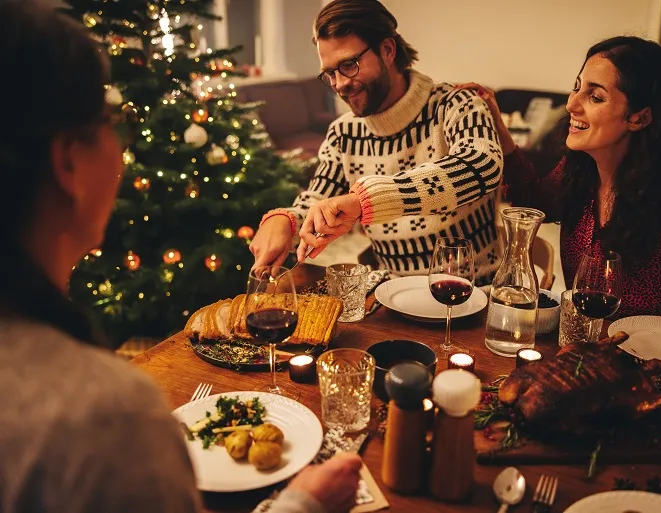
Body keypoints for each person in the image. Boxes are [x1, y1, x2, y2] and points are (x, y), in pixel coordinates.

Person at [0, 2, 360, 513]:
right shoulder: (106, 416)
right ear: (67, 161)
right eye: (111, 122)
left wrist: (289, 214)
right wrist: (303, 504)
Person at [457, 36, 661, 320]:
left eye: (595, 97)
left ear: (639, 118)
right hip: (583, 350)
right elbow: (532, 201)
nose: (571, 105)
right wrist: (498, 128)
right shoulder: (580, 171)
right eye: (576, 87)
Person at [249, 0, 503, 284]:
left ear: (388, 50)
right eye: (330, 73)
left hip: (475, 296)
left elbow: (482, 166)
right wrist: (286, 220)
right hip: (393, 301)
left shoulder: (456, 105)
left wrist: (367, 199)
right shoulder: (344, 134)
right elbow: (318, 199)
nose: (339, 84)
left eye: (349, 65)